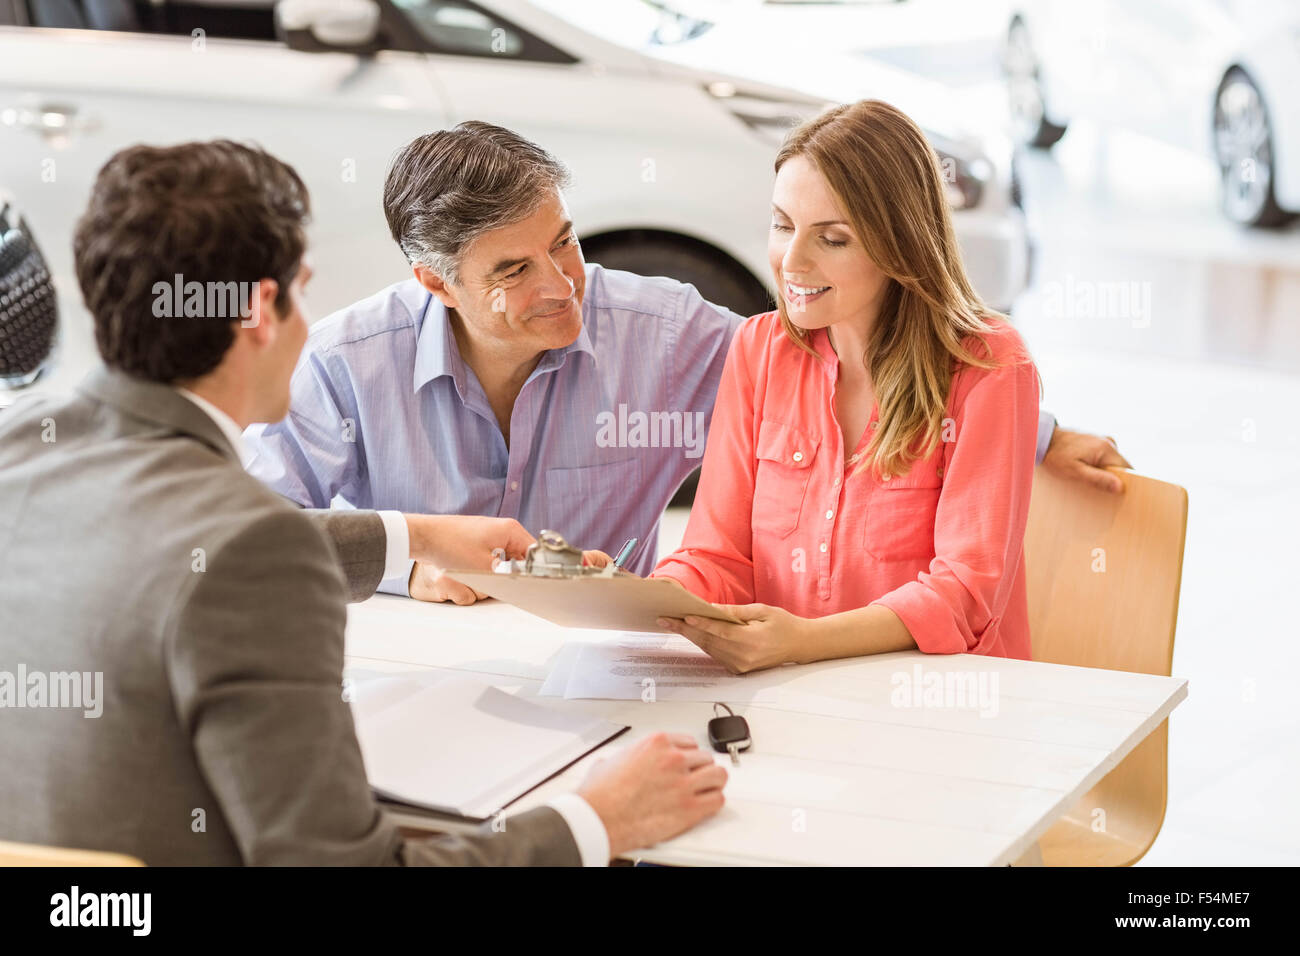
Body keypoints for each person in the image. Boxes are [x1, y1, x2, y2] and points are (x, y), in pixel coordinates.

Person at [0, 140, 726, 865]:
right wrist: (595, 822)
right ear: (261, 314)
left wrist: (411, 538)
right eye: (300, 290)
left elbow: (179, 543)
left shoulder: (19, 450)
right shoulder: (255, 548)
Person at [242, 121, 1128, 607]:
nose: (562, 286)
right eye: (514, 271)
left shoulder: (664, 334)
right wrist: (408, 566)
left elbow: (832, 361)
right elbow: (247, 536)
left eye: (565, 243)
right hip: (421, 673)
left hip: (600, 683)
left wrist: (1035, 429)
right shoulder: (347, 365)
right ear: (434, 282)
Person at [652, 100, 1048, 672]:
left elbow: (964, 595)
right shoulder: (760, 350)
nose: (791, 261)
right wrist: (643, 599)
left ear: (900, 244)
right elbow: (719, 558)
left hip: (942, 708)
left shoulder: (988, 364)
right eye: (783, 225)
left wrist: (803, 642)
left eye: (831, 239)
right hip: (791, 694)